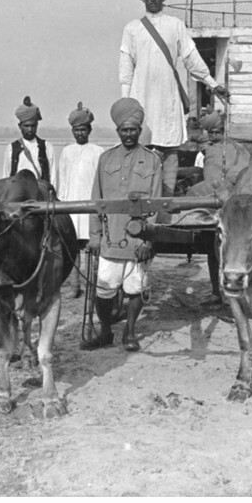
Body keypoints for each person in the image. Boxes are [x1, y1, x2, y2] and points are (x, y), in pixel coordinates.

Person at [119, 0, 230, 196]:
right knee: (143, 149)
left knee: (169, 151)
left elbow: (191, 58)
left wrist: (212, 84)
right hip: (141, 99)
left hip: (168, 99)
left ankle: (167, 204)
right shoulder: (132, 29)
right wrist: (126, 106)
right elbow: (126, 70)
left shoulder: (175, 25)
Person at [83, 98, 163, 352]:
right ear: (117, 131)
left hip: (137, 242)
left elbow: (157, 205)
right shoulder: (105, 159)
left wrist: (148, 240)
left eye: (133, 130)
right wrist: (94, 236)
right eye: (124, 130)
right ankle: (106, 332)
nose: (129, 134)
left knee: (135, 288)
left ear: (140, 131)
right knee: (104, 289)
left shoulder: (152, 161)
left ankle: (129, 332)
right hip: (109, 239)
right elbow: (96, 201)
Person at [57, 102, 105, 298]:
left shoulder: (98, 151)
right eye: (76, 130)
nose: (80, 133)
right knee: (73, 246)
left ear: (89, 130)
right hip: (71, 204)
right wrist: (62, 205)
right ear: (72, 131)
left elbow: (101, 182)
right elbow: (63, 179)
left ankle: (94, 287)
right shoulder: (67, 152)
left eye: (83, 129)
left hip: (90, 205)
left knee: (92, 246)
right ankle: (75, 286)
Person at [3, 95, 57, 191]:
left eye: (33, 126)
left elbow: (52, 176)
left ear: (37, 125)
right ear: (20, 126)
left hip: (41, 194)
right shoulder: (11, 148)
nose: (30, 129)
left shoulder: (47, 147)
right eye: (26, 126)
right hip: (18, 194)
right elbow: (6, 176)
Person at [192, 107, 251, 190]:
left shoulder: (219, 149)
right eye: (211, 133)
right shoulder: (212, 148)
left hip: (231, 186)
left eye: (217, 132)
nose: (214, 135)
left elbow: (213, 181)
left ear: (223, 132)